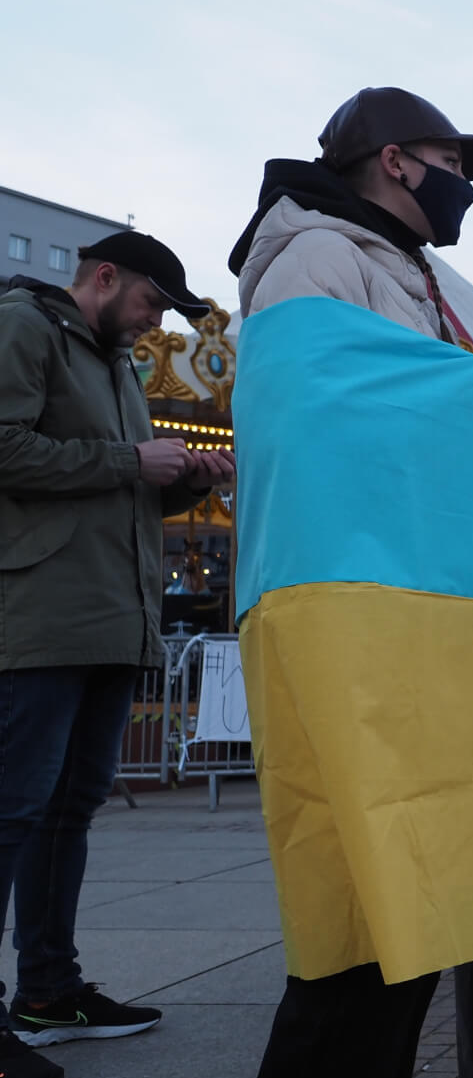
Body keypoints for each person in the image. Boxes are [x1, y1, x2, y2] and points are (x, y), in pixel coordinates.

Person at [231, 86, 473, 1078]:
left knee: (403, 920)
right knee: (360, 932)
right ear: (396, 161)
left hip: (412, 600)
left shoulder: (399, 265)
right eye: (452, 163)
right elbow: (333, 426)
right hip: (365, 607)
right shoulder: (321, 257)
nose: (465, 188)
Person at [0, 233, 225, 1078]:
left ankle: (48, 990)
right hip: (39, 615)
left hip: (106, 619)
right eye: (151, 302)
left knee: (66, 809)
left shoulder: (116, 362)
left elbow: (115, 491)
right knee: (13, 809)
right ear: (105, 278)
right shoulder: (24, 328)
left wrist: (186, 478)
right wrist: (133, 458)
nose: (155, 320)